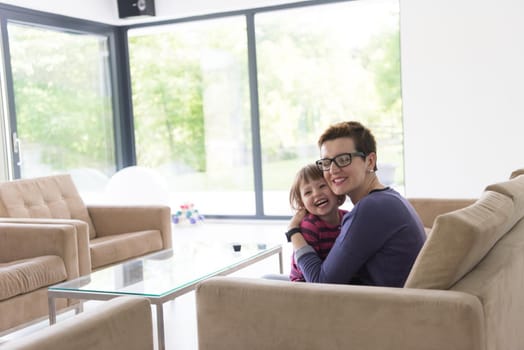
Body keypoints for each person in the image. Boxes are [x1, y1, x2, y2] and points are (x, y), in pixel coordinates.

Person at [286, 121, 426, 287]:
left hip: (377, 307)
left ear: (370, 161)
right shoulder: (389, 198)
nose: (333, 170)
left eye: (343, 159)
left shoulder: (371, 209)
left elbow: (322, 283)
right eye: (326, 162)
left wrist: (293, 232)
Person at [288, 163, 348, 282]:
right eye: (308, 192)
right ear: (302, 203)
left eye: (322, 186)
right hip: (304, 285)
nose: (316, 193)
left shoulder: (347, 217)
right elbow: (311, 277)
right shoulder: (310, 226)